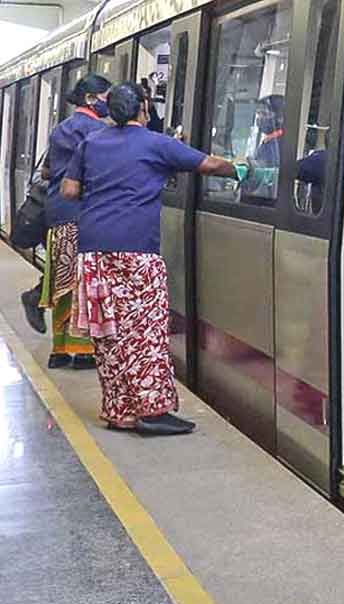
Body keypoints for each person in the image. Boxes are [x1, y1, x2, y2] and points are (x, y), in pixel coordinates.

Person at [61, 82, 236, 435]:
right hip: (136, 251)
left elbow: (69, 190)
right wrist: (240, 170)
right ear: (144, 109)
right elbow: (210, 164)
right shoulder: (156, 144)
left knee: (108, 331)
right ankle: (151, 412)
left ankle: (118, 411)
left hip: (93, 251)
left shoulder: (89, 144)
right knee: (145, 330)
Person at [35, 74, 112, 369]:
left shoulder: (61, 129)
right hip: (84, 215)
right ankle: (83, 351)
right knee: (84, 283)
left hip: (57, 215)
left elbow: (47, 172)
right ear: (92, 99)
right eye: (106, 97)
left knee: (61, 283)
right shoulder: (97, 130)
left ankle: (59, 350)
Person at [238, 94, 285, 203]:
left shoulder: (275, 145)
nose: (259, 118)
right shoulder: (272, 141)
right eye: (258, 113)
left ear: (279, 118)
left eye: (264, 114)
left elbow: (260, 177)